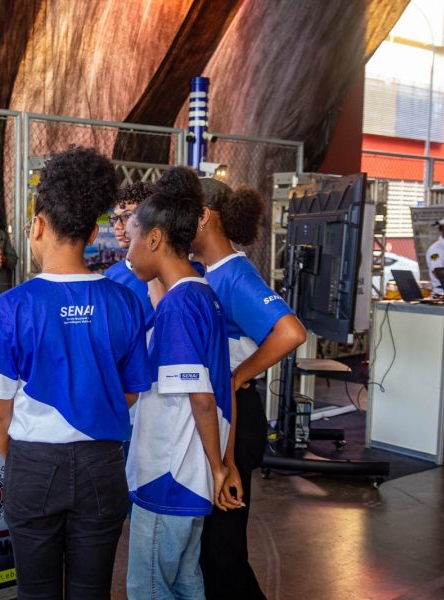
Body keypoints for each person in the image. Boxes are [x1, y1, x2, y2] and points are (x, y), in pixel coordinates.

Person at [0, 146, 151, 599]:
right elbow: (130, 393)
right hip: (104, 467)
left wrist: (27, 461)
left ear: (39, 226)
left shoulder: (11, 307)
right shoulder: (124, 301)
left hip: (32, 464)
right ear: (91, 231)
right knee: (92, 591)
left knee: (35, 591)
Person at [124, 166, 237, 599]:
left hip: (170, 475)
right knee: (187, 581)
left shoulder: (179, 306)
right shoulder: (199, 291)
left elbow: (201, 398)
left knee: (149, 587)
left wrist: (217, 465)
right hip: (189, 474)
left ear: (154, 239)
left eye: (133, 237)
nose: (127, 251)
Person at [192, 177, 307, 600]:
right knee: (209, 545)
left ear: (203, 216)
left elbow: (290, 331)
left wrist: (238, 376)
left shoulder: (234, 273)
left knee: (223, 548)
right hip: (220, 411)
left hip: (237, 413)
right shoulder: (205, 271)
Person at [104, 181, 156, 331]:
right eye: (114, 218)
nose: (117, 226)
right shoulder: (112, 275)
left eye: (126, 216)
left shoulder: (172, 270)